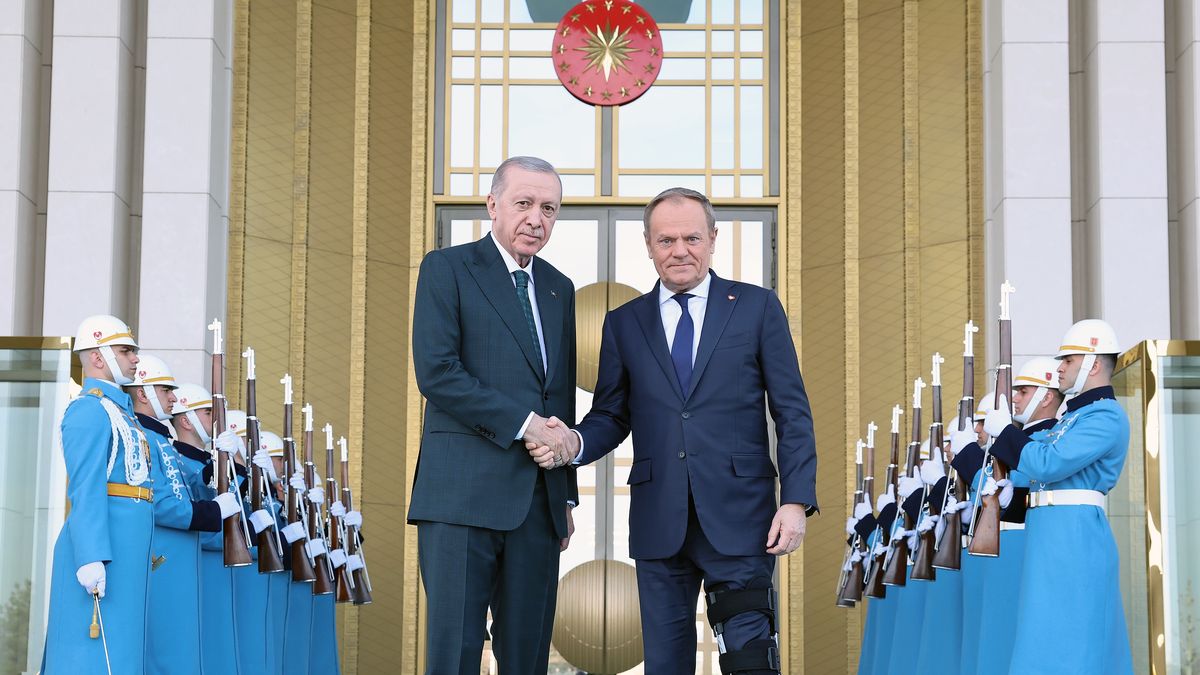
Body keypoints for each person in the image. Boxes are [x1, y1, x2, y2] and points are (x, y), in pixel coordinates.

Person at [539, 187, 818, 675]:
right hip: (658, 521)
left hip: (742, 519)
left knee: (750, 661)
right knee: (665, 665)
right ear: (648, 245)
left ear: (713, 239)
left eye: (691, 237)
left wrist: (795, 502)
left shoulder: (756, 307)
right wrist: (575, 444)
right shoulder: (624, 323)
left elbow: (791, 410)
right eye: (665, 240)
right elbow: (612, 413)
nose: (679, 250)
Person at [409, 155, 579, 673]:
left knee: (527, 656)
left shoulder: (558, 287)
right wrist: (525, 425)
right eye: (523, 203)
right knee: (455, 652)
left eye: (548, 208)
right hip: (461, 498)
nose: (536, 218)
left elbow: (559, 396)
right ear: (492, 205)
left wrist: (564, 490)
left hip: (538, 503)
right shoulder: (446, 268)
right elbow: (437, 372)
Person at [983, 319, 1133, 673]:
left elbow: (1049, 464)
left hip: (1073, 534)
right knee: (1042, 640)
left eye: (1068, 361)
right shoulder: (1073, 418)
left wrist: (1006, 432)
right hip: (1051, 532)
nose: (1060, 368)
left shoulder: (1105, 417)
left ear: (1094, 364)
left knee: (1071, 641)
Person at [42, 314, 152, 673]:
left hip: (125, 550)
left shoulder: (122, 413)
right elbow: (85, 486)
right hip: (102, 551)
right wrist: (90, 555)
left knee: (121, 654)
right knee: (93, 657)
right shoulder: (89, 410)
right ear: (99, 356)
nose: (135, 358)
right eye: (126, 351)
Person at [127, 356, 238, 674]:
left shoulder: (159, 438)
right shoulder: (143, 436)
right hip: (162, 557)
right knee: (164, 650)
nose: (172, 398)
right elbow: (160, 503)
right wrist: (213, 510)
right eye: (165, 390)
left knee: (183, 649)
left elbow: (184, 486)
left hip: (179, 557)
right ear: (144, 393)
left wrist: (214, 469)